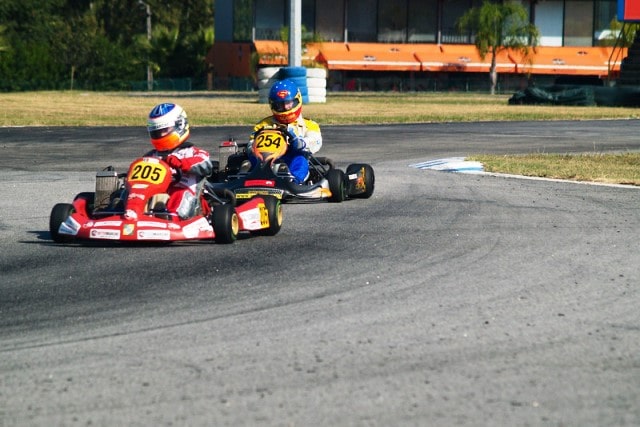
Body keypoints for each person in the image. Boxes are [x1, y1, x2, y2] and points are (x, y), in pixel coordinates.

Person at [128, 102, 213, 219]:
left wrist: (181, 163)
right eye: (156, 132)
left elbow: (206, 164)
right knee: (129, 193)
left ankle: (171, 217)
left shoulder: (191, 152)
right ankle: (121, 212)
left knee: (179, 194)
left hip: (185, 192)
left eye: (164, 130)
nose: (160, 135)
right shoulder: (152, 155)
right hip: (156, 192)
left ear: (180, 125)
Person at [247, 79, 322, 184]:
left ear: (297, 101)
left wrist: (301, 143)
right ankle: (252, 178)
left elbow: (315, 141)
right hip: (264, 159)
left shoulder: (309, 125)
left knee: (300, 158)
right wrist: (252, 148)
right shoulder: (263, 125)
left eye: (288, 103)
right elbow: (251, 144)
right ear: (273, 104)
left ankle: (293, 182)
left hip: (292, 158)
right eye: (279, 105)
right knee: (251, 159)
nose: (285, 108)